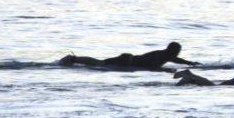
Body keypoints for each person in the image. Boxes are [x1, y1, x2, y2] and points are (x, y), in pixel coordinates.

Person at [59, 42, 200, 70]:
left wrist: (193, 63)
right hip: (127, 61)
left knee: (100, 63)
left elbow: (180, 60)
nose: (178, 54)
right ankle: (74, 59)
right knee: (100, 64)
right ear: (172, 50)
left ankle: (74, 59)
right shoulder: (162, 55)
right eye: (177, 51)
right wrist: (163, 70)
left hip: (129, 60)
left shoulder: (167, 55)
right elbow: (151, 66)